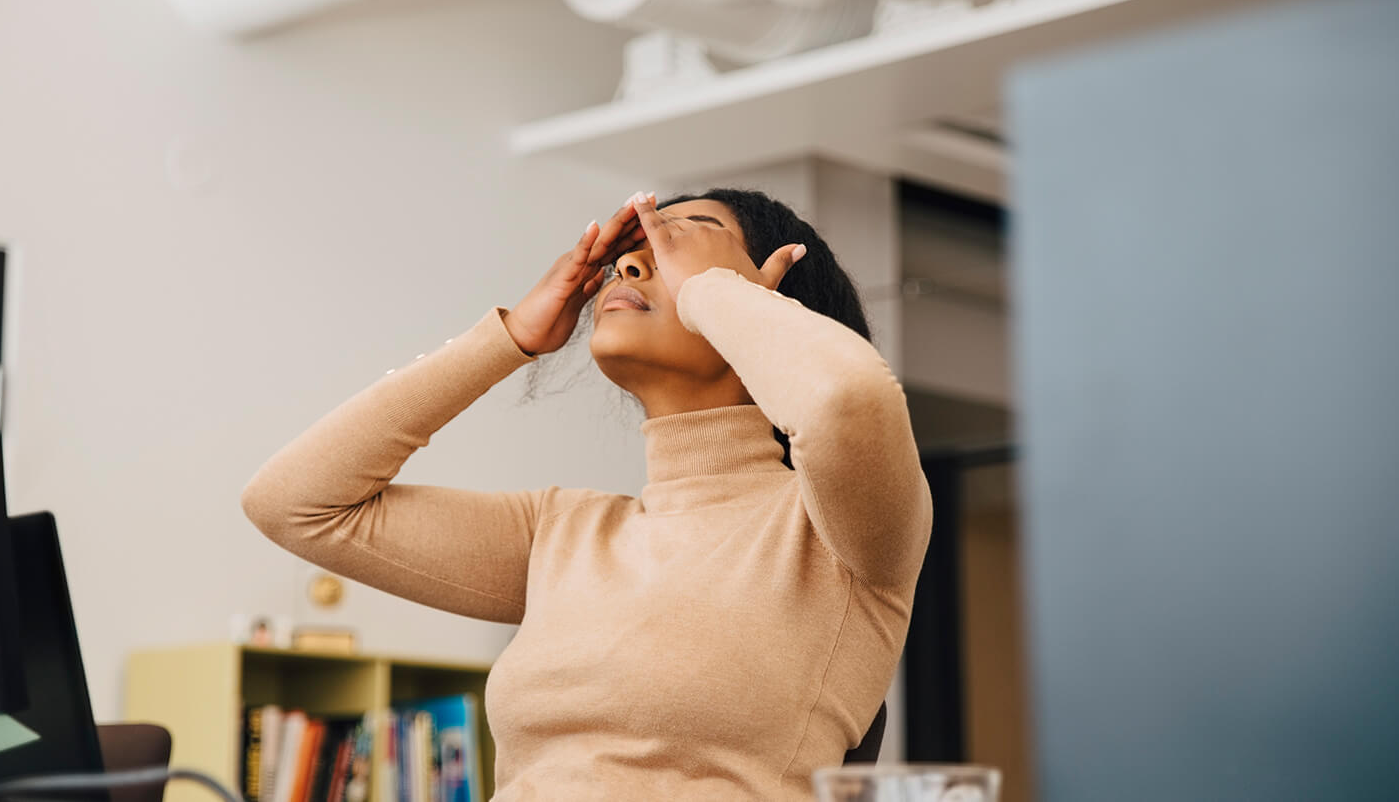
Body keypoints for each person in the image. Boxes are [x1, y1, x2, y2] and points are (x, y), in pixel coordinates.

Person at [243, 189, 933, 801]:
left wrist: (717, 295)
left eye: (679, 243)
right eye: (630, 251)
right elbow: (294, 503)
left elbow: (848, 400)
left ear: (766, 297)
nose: (630, 264)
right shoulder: (562, 531)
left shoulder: (839, 530)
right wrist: (508, 338)